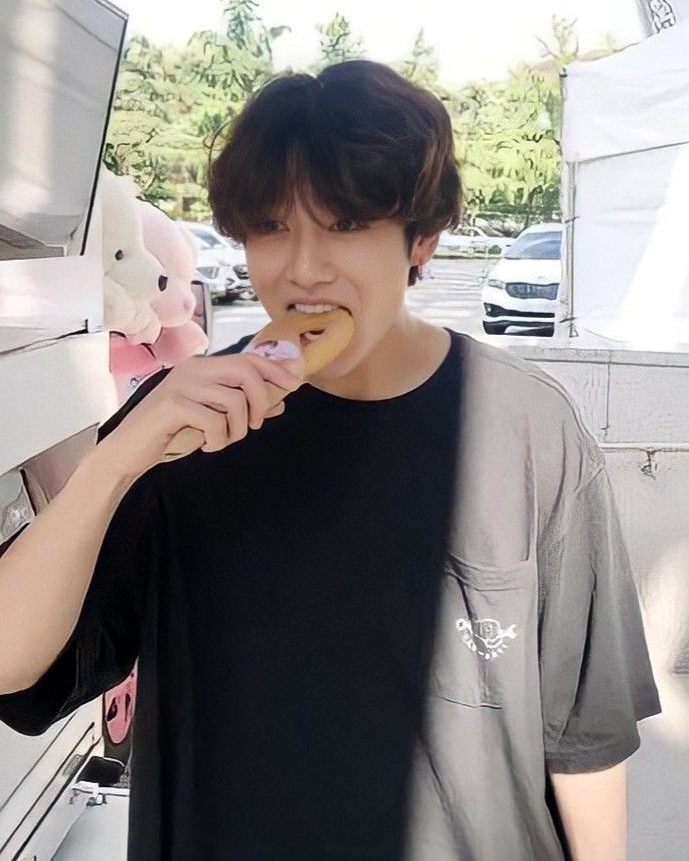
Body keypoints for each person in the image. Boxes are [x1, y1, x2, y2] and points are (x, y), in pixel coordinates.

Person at [0, 60, 660, 860]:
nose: (302, 267)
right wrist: (114, 466)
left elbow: (582, 737)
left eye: (344, 224)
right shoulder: (188, 424)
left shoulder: (529, 429)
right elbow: (11, 664)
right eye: (273, 226)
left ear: (422, 237)